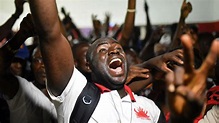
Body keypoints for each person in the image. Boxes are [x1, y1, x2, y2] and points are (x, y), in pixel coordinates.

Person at [0, 14, 57, 123]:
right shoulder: (22, 89)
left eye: (48, 60)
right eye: (38, 60)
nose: (44, 65)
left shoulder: (66, 93)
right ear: (30, 65)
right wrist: (21, 35)